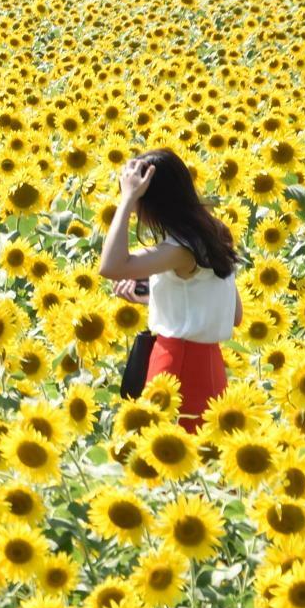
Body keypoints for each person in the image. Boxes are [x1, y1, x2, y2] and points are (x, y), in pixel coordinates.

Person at [98, 149, 241, 431]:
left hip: (176, 367)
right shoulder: (215, 234)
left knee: (163, 458)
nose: (137, 211)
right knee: (202, 463)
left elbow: (111, 266)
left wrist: (126, 199)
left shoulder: (179, 248)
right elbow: (234, 314)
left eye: (139, 202)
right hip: (210, 368)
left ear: (152, 201)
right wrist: (155, 300)